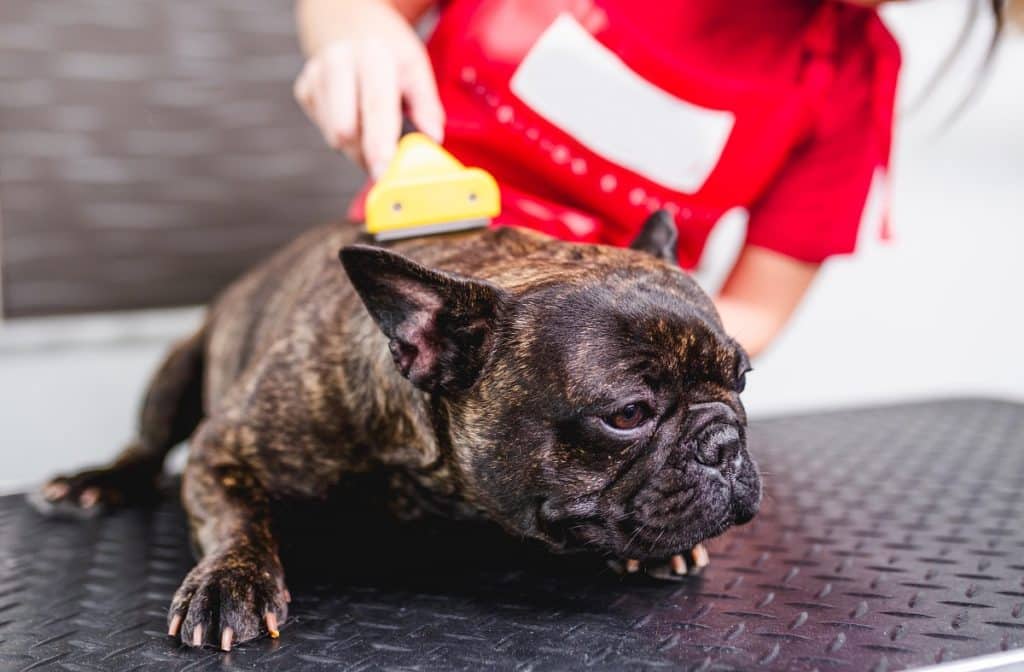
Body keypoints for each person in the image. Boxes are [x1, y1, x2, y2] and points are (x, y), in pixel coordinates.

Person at [293, 0, 904, 357]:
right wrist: (353, 32)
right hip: (401, 301)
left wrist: (626, 357)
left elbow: (755, 307)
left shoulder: (853, 72)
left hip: (589, 378)